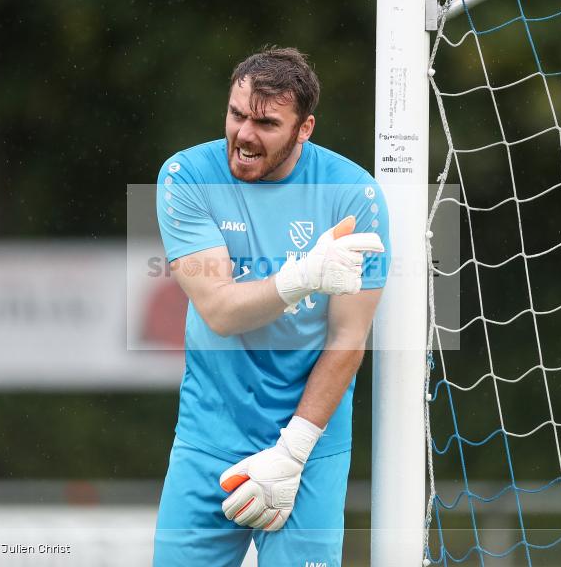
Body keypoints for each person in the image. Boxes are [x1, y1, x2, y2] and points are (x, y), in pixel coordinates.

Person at [153, 47, 390, 567]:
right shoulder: (186, 176)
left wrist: (292, 453)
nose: (244, 135)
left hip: (309, 445)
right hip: (207, 440)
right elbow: (219, 309)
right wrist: (303, 275)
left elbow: (348, 341)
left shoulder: (355, 196)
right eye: (237, 115)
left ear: (304, 129)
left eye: (266, 122)